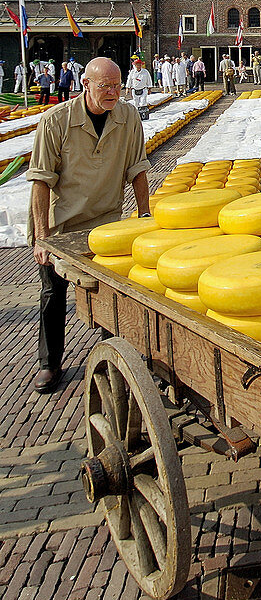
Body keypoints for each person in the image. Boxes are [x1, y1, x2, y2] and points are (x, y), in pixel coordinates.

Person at [27, 57, 151, 393]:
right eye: (104, 85)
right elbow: (40, 181)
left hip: (105, 222)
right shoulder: (56, 121)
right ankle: (49, 364)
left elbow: (138, 168)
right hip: (61, 225)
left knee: (108, 294)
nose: (113, 91)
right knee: (53, 292)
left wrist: (144, 217)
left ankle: (114, 358)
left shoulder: (128, 117)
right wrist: (42, 238)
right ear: (86, 84)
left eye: (117, 84)